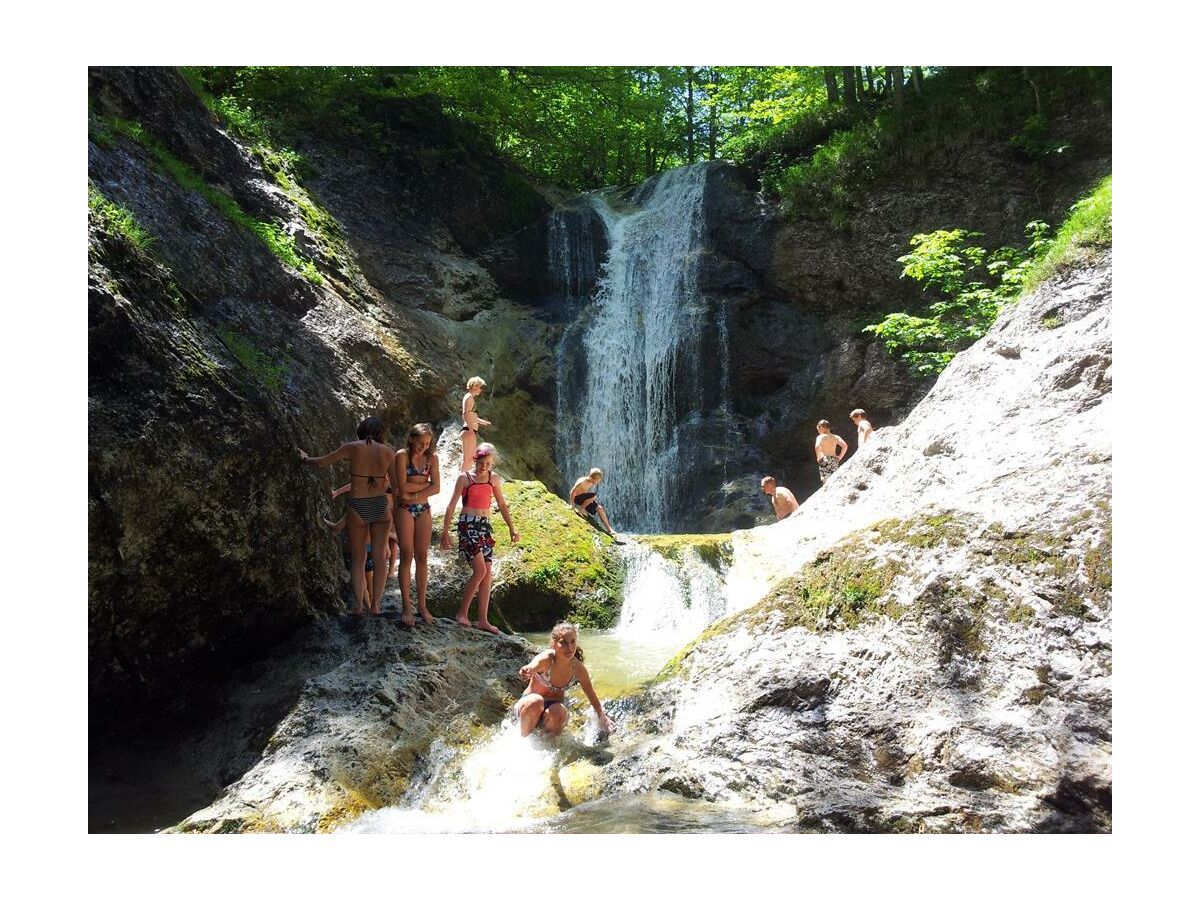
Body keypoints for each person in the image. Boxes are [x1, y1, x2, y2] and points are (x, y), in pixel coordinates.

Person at [299, 416, 394, 616]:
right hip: (380, 505)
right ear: (381, 433)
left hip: (358, 505)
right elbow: (397, 485)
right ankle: (376, 605)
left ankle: (358, 606)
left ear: (362, 430)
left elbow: (321, 463)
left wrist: (304, 458)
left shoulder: (352, 447)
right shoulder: (388, 452)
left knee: (358, 558)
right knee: (380, 559)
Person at [439, 443, 519, 633]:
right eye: (481, 463)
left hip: (485, 526)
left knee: (487, 573)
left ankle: (483, 619)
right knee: (480, 570)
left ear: (492, 463)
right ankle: (462, 613)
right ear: (475, 460)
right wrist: (445, 532)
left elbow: (502, 504)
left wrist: (512, 527)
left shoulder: (494, 479)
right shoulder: (465, 478)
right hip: (468, 525)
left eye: (488, 464)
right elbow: (451, 505)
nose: (484, 467)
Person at [514, 622, 613, 738]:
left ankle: (548, 744)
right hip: (528, 707)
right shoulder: (547, 658)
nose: (569, 647)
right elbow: (533, 665)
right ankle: (522, 740)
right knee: (536, 701)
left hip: (552, 710)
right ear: (554, 644)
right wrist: (528, 670)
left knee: (559, 711)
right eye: (564, 642)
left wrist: (602, 716)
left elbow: (591, 694)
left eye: (572, 642)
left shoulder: (578, 668)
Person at [391, 423, 440, 627]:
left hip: (423, 509)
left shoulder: (432, 458)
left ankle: (422, 605)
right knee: (407, 554)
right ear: (411, 439)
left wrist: (414, 493)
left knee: (422, 556)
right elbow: (402, 487)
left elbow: (437, 488)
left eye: (427, 443)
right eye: (420, 443)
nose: (424, 447)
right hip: (404, 509)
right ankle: (406, 606)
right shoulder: (401, 456)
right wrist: (425, 485)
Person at [570, 468, 620, 541]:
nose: (598, 483)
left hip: (583, 500)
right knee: (594, 495)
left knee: (600, 508)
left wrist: (588, 501)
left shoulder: (590, 482)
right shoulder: (582, 481)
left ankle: (610, 529)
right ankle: (581, 509)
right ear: (591, 478)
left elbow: (586, 495)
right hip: (577, 498)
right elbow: (572, 492)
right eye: (597, 481)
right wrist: (572, 505)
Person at [460, 376, 492, 472]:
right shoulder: (469, 397)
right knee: (468, 459)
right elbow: (465, 414)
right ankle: (462, 478)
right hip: (469, 430)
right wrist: (470, 430)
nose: (481, 390)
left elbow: (471, 415)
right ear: (474, 386)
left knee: (470, 459)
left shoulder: (469, 397)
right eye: (480, 387)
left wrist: (483, 422)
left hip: (469, 430)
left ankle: (465, 477)